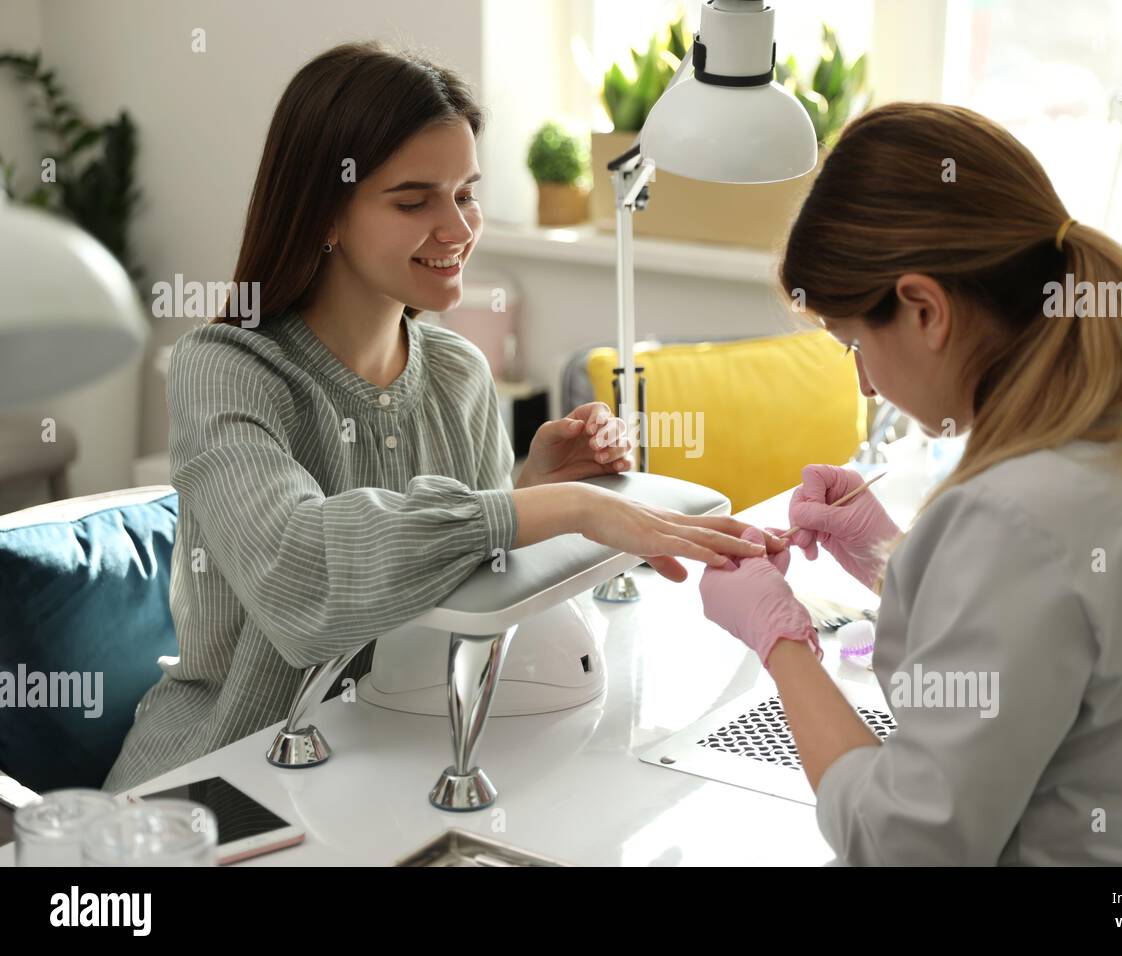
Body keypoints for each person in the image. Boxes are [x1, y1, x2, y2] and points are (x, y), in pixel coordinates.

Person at [104, 41, 783, 793]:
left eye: (466, 193)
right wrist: (558, 508)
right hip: (221, 781)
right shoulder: (226, 370)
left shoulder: (456, 370)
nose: (457, 228)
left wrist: (529, 489)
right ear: (325, 212)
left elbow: (461, 586)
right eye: (413, 200)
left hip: (389, 758)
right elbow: (299, 580)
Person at [700, 102, 1122, 866]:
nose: (866, 381)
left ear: (924, 309)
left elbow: (903, 845)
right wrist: (897, 556)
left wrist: (778, 639)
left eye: (854, 341)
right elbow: (1076, 651)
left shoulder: (1009, 518)